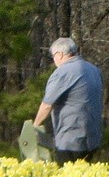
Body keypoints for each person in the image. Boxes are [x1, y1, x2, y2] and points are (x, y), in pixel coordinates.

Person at [32, 37, 103, 165]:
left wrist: (35, 126)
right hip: (93, 138)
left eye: (53, 56)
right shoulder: (94, 70)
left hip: (71, 138)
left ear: (59, 54)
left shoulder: (63, 72)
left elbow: (47, 105)